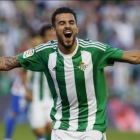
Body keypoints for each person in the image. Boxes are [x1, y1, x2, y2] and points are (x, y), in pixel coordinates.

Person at [0, 7, 140, 140]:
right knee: (38, 129)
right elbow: (10, 62)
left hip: (92, 127)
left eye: (71, 22)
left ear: (77, 28)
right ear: (54, 31)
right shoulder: (44, 52)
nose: (67, 26)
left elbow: (133, 56)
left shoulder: (94, 50)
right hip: (62, 127)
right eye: (62, 23)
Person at [26, 24, 55, 140]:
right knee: (39, 130)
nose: (51, 39)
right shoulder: (33, 53)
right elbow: (23, 72)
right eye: (48, 36)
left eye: (53, 36)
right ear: (43, 38)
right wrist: (26, 89)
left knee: (51, 127)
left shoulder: (59, 54)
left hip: (52, 98)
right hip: (36, 97)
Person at [4, 68, 28, 140]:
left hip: (23, 91)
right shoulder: (26, 60)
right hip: (19, 92)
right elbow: (21, 71)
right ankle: (7, 137)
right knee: (14, 113)